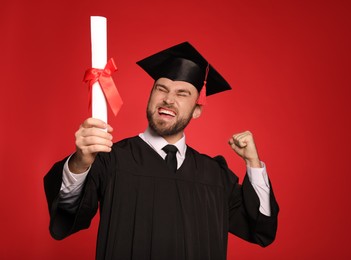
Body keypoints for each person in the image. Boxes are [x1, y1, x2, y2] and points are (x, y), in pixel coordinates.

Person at [44, 41, 279, 260]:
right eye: (161, 89)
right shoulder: (111, 159)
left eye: (182, 93)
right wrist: (80, 162)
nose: (168, 99)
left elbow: (260, 228)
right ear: (151, 95)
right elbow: (68, 212)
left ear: (197, 110)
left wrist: (253, 164)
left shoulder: (214, 175)